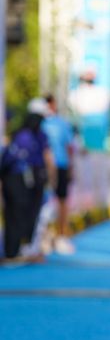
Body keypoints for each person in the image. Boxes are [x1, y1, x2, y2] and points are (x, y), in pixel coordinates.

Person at [1, 98, 55, 262]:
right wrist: (52, 179)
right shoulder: (36, 136)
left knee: (14, 215)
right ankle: (22, 249)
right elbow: (48, 158)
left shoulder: (20, 134)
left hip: (13, 179)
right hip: (25, 181)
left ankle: (13, 250)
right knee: (26, 214)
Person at [42, 94, 76, 254]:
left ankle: (61, 235)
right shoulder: (40, 123)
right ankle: (43, 236)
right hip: (45, 168)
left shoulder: (61, 123)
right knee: (44, 202)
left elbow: (69, 146)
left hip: (60, 166)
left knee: (62, 201)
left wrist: (70, 167)